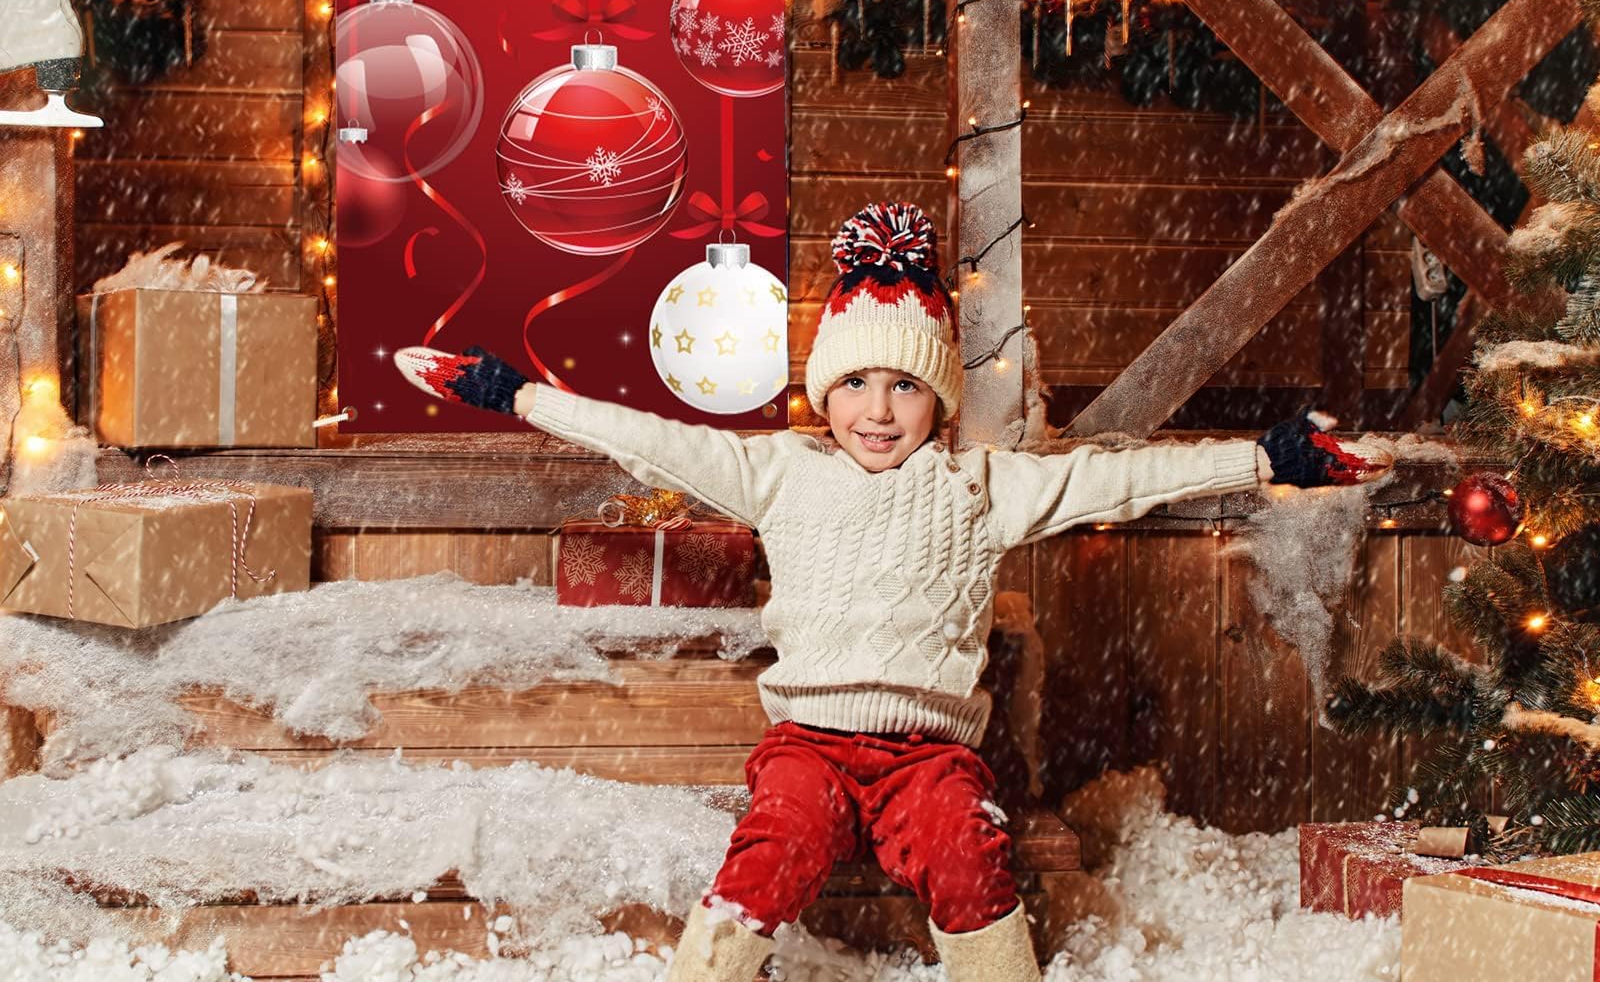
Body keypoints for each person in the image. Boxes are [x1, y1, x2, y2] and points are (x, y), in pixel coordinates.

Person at [396, 201, 1377, 981]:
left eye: (904, 386)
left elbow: (1115, 479)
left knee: (969, 854)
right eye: (855, 383)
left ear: (938, 400)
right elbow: (650, 439)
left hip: (929, 757)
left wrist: (1263, 458)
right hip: (810, 747)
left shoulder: (979, 486)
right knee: (771, 851)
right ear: (823, 392)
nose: (877, 409)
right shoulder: (779, 472)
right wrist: (515, 392)